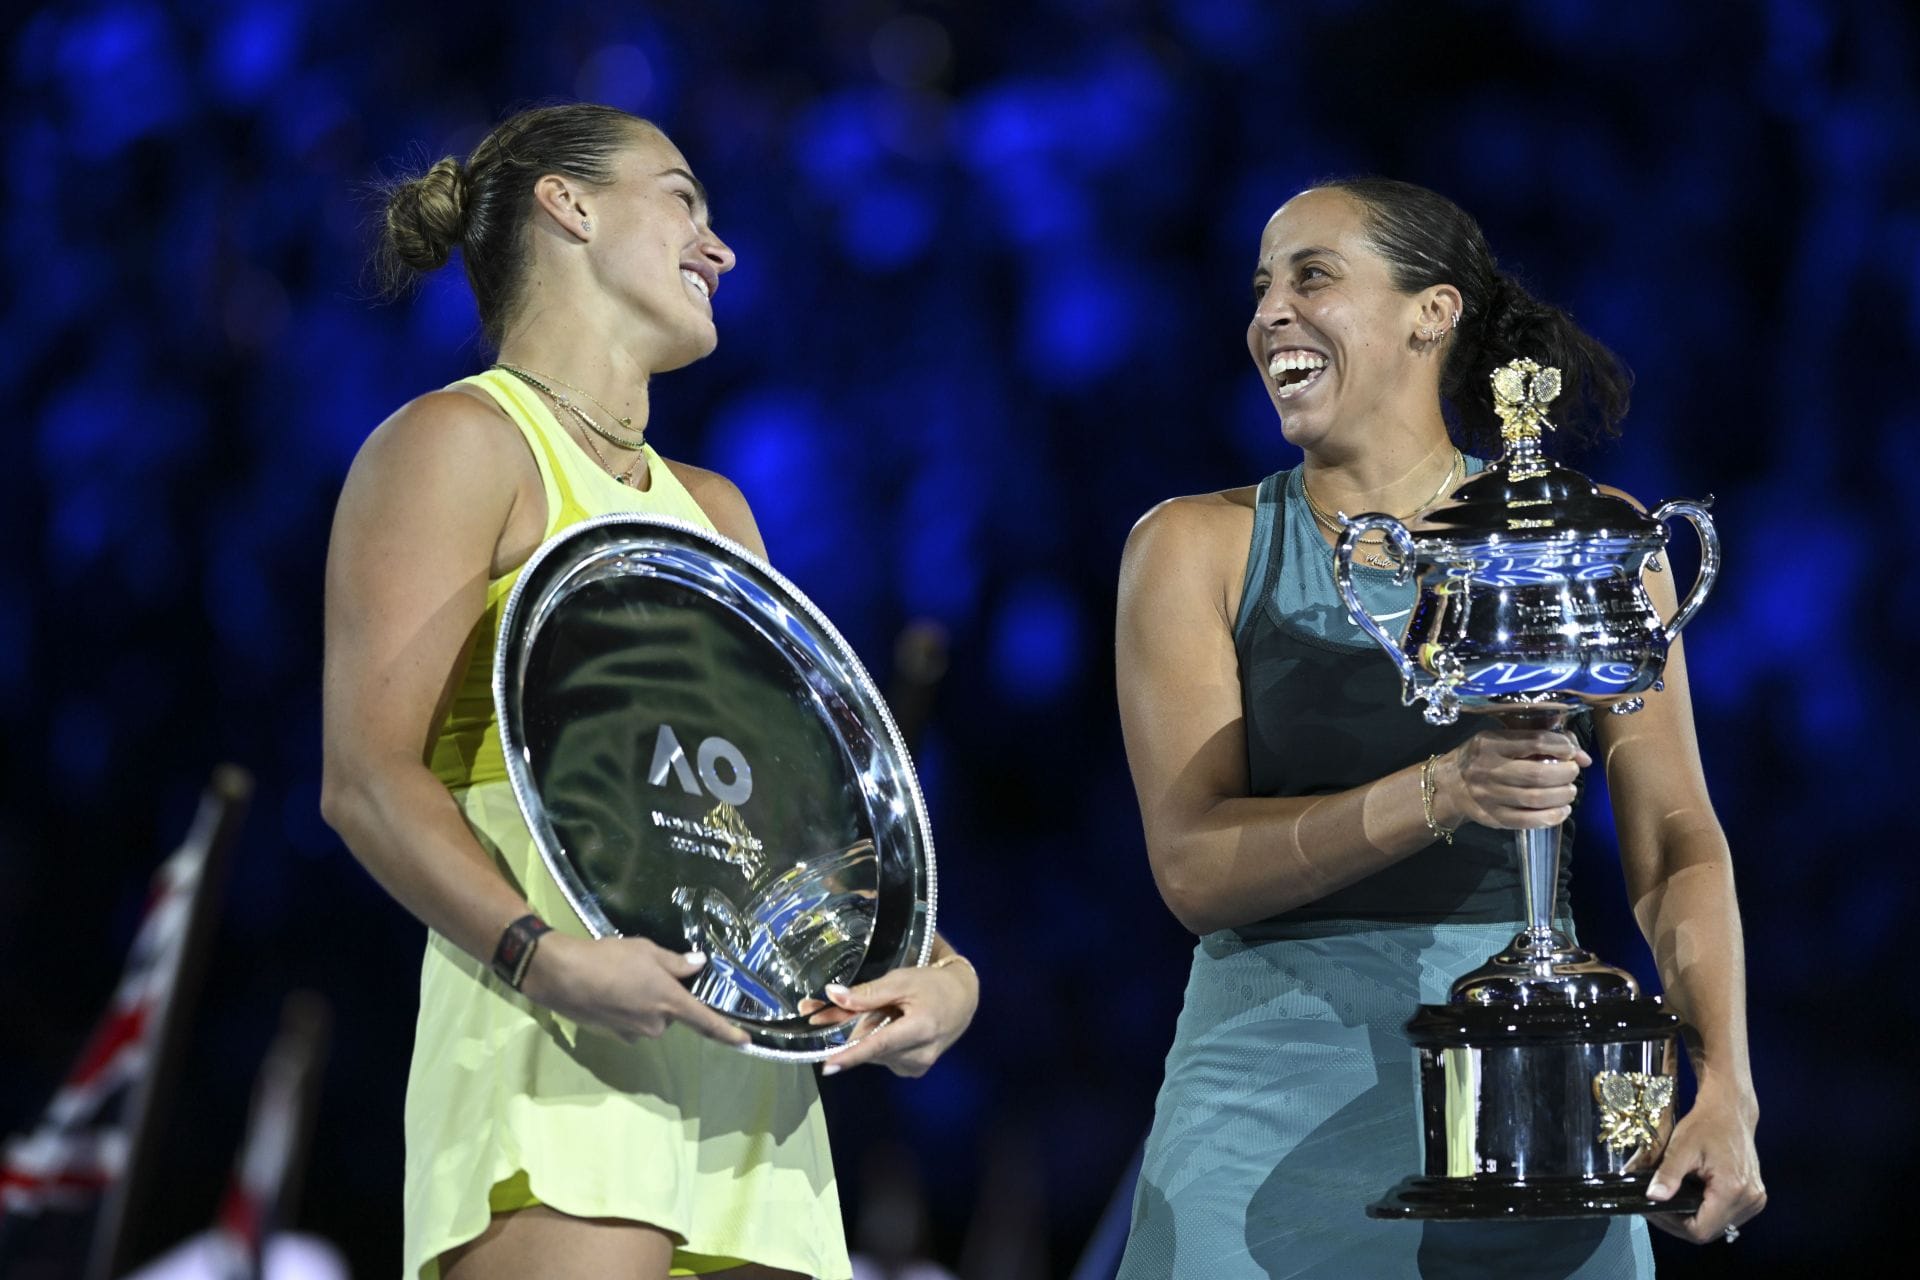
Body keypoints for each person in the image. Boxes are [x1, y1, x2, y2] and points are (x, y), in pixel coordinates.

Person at [320, 103, 979, 1280]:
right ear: (566, 207)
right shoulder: (457, 444)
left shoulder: (718, 513)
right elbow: (367, 777)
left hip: (751, 1096)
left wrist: (935, 968)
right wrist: (541, 955)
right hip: (562, 1046)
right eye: (683, 199)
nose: (718, 247)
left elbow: (780, 825)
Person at [1111, 178, 1764, 1277]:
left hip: (1543, 1100)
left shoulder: (1587, 539)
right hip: (1263, 1099)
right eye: (1261, 287)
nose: (1270, 312)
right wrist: (1443, 791)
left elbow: (1678, 837)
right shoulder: (1194, 546)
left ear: (1434, 311)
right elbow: (1192, 868)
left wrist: (1729, 1083)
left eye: (1312, 276)